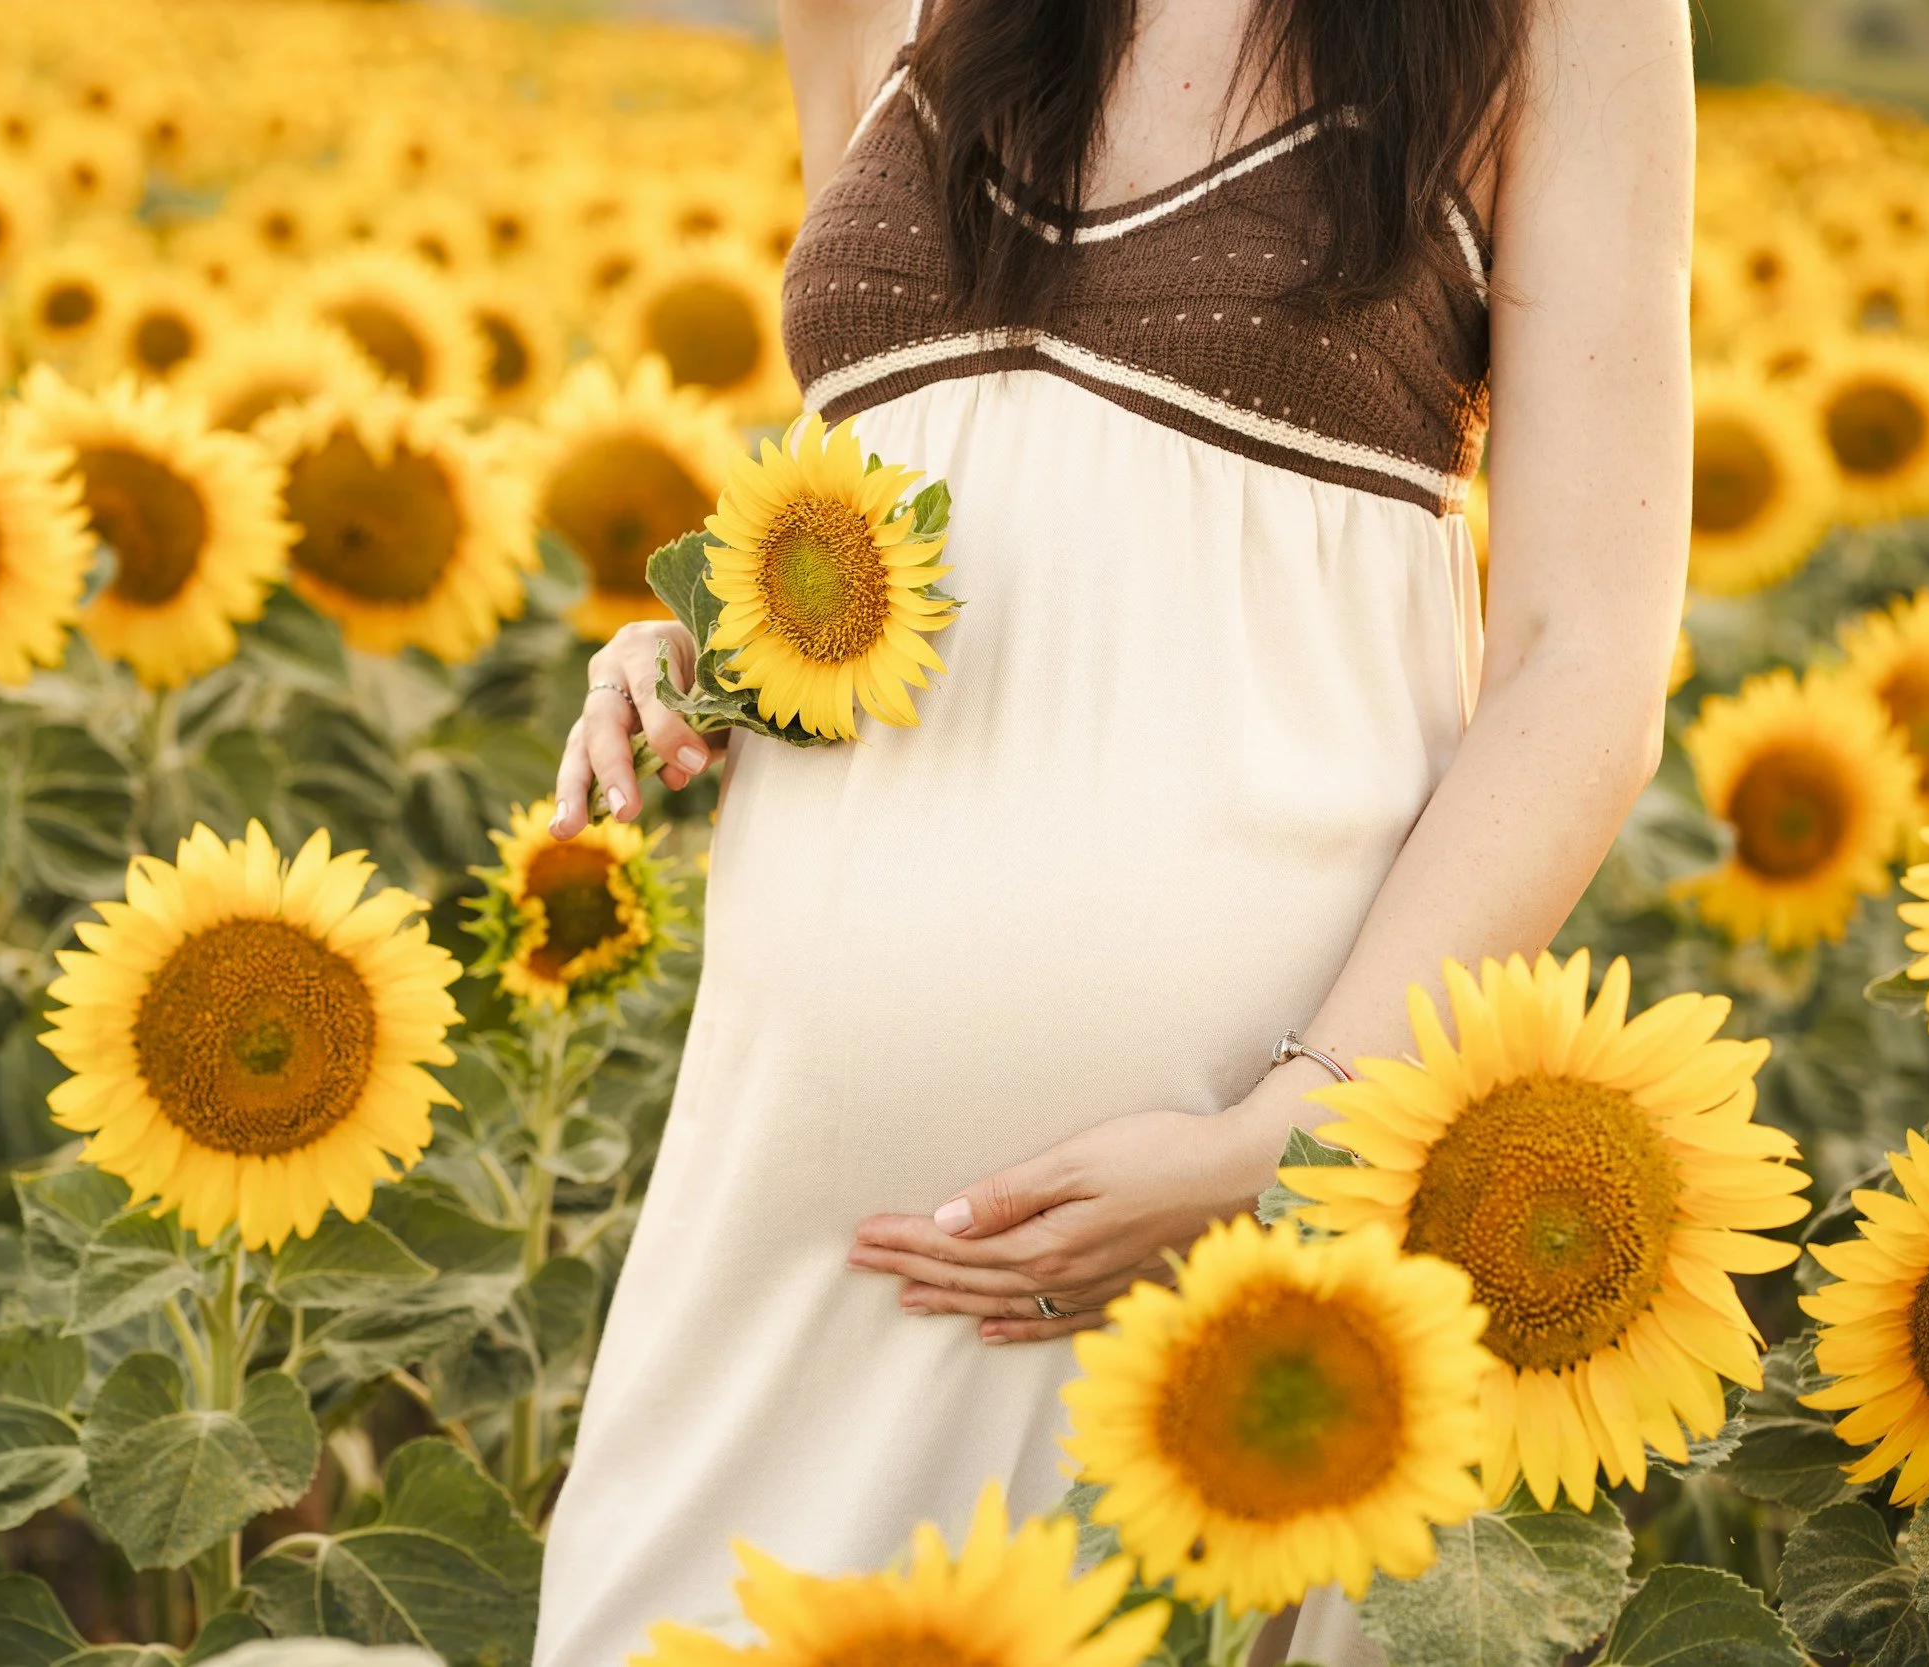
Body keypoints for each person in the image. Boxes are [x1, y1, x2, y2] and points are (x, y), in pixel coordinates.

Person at [533, 0, 1692, 1658]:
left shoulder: (1562, 22)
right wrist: (704, 652)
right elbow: (901, 478)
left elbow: (1586, 666)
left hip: (1192, 1251)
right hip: (784, 1187)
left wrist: (1289, 1135)